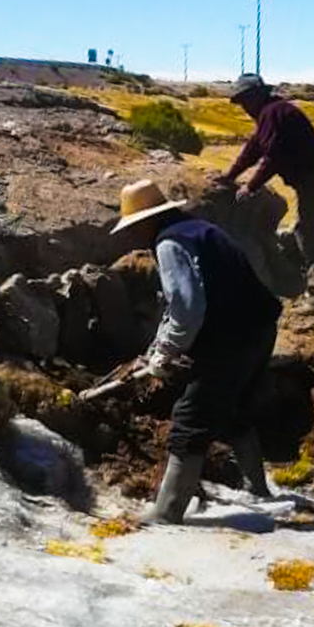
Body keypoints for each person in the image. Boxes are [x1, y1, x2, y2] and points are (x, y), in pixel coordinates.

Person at [110, 179, 282, 525]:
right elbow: (177, 308)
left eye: (133, 229)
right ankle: (258, 490)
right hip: (259, 326)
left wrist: (166, 353)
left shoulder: (170, 244)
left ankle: (166, 512)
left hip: (231, 336)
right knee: (233, 405)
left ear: (145, 221)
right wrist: (156, 350)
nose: (133, 238)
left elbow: (188, 308)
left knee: (191, 418)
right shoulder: (198, 229)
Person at [216, 73, 314, 310]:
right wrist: (230, 175)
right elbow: (253, 149)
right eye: (240, 102)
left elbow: (273, 156)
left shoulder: (274, 113)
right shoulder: (270, 114)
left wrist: (250, 186)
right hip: (311, 177)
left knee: (311, 231)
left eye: (245, 100)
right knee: (307, 228)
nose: (244, 107)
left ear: (257, 96)